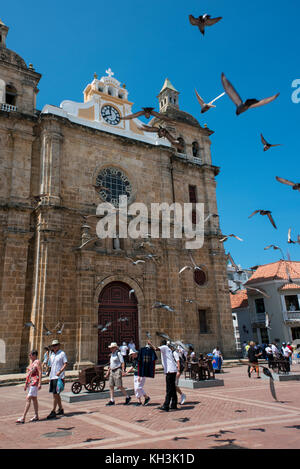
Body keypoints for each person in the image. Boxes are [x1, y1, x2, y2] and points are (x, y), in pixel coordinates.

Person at [148, 339, 178, 412]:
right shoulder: (168, 349)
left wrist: (150, 343)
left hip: (170, 370)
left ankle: (166, 405)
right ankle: (174, 404)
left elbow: (155, 348)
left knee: (169, 389)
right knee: (173, 388)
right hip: (172, 370)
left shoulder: (164, 347)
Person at [16, 350, 42, 424]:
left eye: (30, 355)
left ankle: (23, 417)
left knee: (28, 398)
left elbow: (40, 372)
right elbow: (29, 374)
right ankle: (36, 416)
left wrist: (40, 383)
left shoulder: (37, 362)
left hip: (35, 382)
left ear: (34, 355)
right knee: (34, 399)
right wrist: (26, 383)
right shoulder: (32, 363)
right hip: (31, 383)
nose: (29, 356)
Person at [47, 339, 68, 419]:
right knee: (56, 394)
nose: (54, 347)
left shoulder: (62, 354)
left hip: (59, 377)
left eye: (56, 345)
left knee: (55, 394)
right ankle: (61, 409)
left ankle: (53, 411)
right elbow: (51, 365)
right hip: (52, 376)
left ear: (59, 345)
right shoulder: (52, 355)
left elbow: (65, 364)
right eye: (53, 346)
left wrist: (60, 371)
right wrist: (48, 371)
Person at [105, 342, 131, 406]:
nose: (111, 349)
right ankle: (112, 400)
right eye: (110, 348)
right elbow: (111, 364)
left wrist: (123, 371)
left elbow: (122, 362)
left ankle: (127, 397)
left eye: (112, 348)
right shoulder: (111, 354)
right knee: (111, 386)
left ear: (115, 348)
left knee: (119, 385)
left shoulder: (118, 354)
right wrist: (108, 372)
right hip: (112, 370)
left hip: (117, 370)